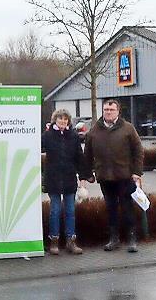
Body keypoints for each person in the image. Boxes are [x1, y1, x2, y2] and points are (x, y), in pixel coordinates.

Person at [84, 99, 144, 253]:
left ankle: (131, 239)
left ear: (118, 111)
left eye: (111, 109)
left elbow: (138, 151)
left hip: (124, 176)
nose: (108, 112)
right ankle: (114, 239)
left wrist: (137, 172)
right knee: (111, 208)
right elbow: (87, 155)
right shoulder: (94, 131)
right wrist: (87, 174)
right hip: (105, 177)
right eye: (105, 109)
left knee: (127, 207)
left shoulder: (128, 128)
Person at [41, 109, 92, 255]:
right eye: (60, 119)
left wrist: (84, 177)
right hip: (53, 179)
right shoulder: (47, 136)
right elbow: (35, 148)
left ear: (68, 121)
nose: (62, 121)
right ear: (54, 120)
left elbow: (80, 158)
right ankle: (54, 241)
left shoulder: (74, 136)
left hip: (69, 179)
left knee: (70, 211)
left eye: (65, 119)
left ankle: (71, 241)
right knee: (55, 211)